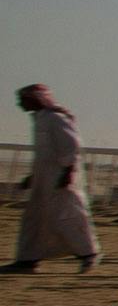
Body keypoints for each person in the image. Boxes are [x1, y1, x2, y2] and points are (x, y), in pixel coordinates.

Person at [7, 84, 100, 273]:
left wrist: (67, 173)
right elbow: (45, 154)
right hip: (44, 180)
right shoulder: (40, 120)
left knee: (69, 216)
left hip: (62, 179)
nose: (20, 104)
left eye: (23, 99)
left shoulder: (56, 119)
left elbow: (72, 147)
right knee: (35, 219)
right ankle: (28, 260)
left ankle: (89, 254)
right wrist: (34, 177)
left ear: (36, 99)